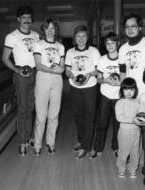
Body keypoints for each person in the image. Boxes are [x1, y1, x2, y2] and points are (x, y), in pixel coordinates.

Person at [2, 5, 39, 156]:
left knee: (31, 108)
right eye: (24, 18)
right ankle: (22, 142)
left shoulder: (36, 35)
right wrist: (18, 71)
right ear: (18, 19)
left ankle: (29, 137)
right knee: (23, 109)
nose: (27, 20)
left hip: (35, 74)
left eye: (29, 18)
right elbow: (5, 59)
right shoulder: (11, 37)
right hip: (21, 76)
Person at [65, 25, 101, 159]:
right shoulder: (70, 52)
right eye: (78, 36)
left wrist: (88, 75)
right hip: (75, 87)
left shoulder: (93, 51)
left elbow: (98, 70)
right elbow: (67, 70)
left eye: (84, 36)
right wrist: (72, 77)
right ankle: (81, 140)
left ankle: (86, 146)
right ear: (75, 38)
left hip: (90, 87)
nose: (81, 39)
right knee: (78, 116)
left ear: (87, 38)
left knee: (89, 117)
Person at [32, 18, 65, 156]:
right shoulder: (38, 44)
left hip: (57, 80)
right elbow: (38, 65)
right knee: (41, 115)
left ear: (55, 30)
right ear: (44, 30)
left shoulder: (61, 46)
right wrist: (54, 70)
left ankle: (51, 143)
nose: (50, 31)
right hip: (43, 78)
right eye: (48, 28)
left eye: (53, 28)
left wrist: (60, 70)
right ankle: (37, 144)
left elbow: (62, 67)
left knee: (54, 115)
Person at [90, 32, 120, 159]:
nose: (110, 45)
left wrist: (121, 83)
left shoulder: (122, 59)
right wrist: (106, 81)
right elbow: (99, 79)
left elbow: (128, 78)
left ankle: (117, 147)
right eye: (107, 43)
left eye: (112, 42)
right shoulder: (102, 60)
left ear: (117, 44)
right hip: (105, 96)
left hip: (119, 96)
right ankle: (98, 147)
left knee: (118, 124)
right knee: (101, 123)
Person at [115, 77, 142, 178]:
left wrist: (142, 120)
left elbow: (140, 116)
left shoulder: (137, 102)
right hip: (124, 132)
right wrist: (133, 120)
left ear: (135, 90)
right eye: (126, 89)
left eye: (132, 89)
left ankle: (132, 169)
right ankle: (121, 168)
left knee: (135, 152)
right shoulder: (119, 103)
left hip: (136, 131)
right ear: (122, 90)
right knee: (123, 151)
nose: (129, 92)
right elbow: (119, 117)